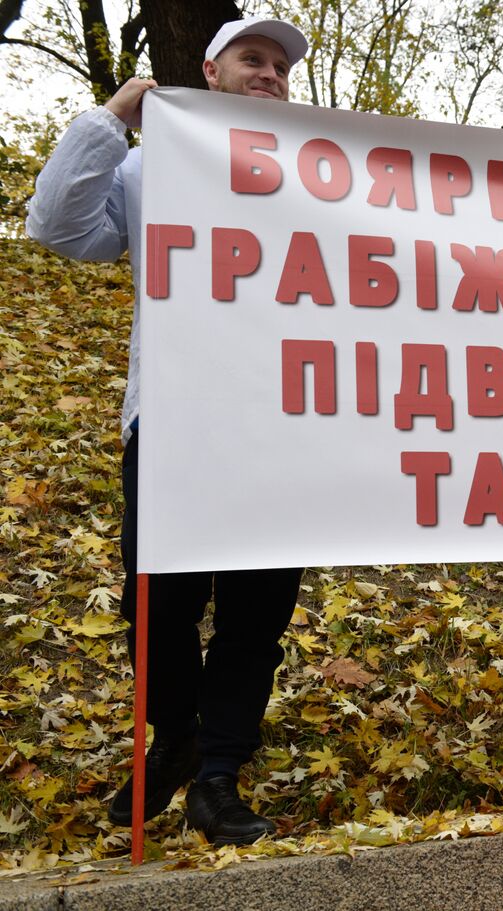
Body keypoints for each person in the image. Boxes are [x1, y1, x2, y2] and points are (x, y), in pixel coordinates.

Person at [26, 17, 311, 846]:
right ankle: (174, 734)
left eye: (279, 66)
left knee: (257, 611)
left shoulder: (320, 174)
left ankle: (218, 773)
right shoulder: (151, 166)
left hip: (290, 424)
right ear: (209, 71)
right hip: (176, 418)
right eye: (250, 60)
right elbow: (59, 228)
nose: (268, 74)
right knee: (158, 602)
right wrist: (110, 119)